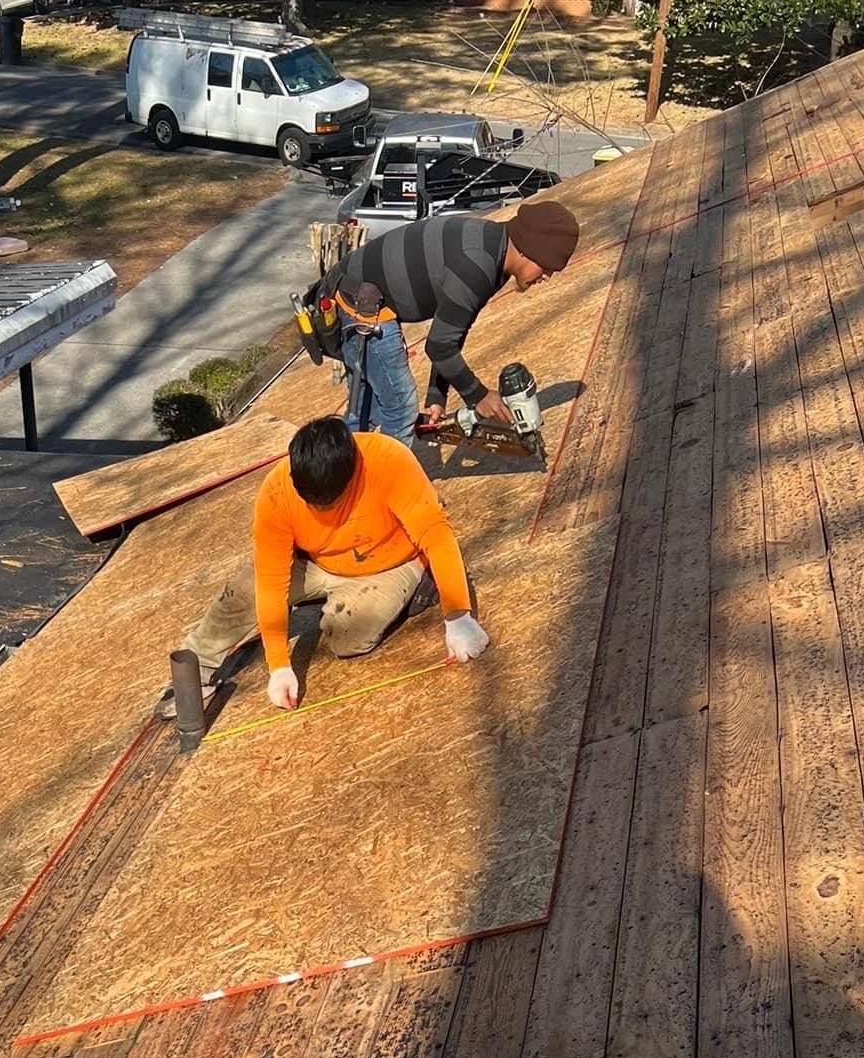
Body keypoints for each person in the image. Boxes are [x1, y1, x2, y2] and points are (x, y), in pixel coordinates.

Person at [176, 414, 489, 714]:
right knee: (245, 589)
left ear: (351, 474)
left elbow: (435, 534)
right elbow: (270, 584)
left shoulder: (387, 459)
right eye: (313, 503)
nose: (322, 512)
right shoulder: (277, 493)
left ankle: (422, 582)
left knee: (348, 638)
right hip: (320, 563)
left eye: (331, 503)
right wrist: (279, 666)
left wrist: (457, 615)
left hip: (391, 562)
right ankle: (196, 671)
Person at [326, 200, 581, 446]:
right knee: (400, 408)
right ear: (527, 249)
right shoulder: (478, 265)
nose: (547, 277)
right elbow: (439, 346)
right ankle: (383, 474)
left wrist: (436, 395)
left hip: (359, 293)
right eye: (546, 267)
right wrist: (478, 395)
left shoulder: (496, 251)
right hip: (360, 301)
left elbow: (451, 332)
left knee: (369, 408)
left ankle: (349, 466)